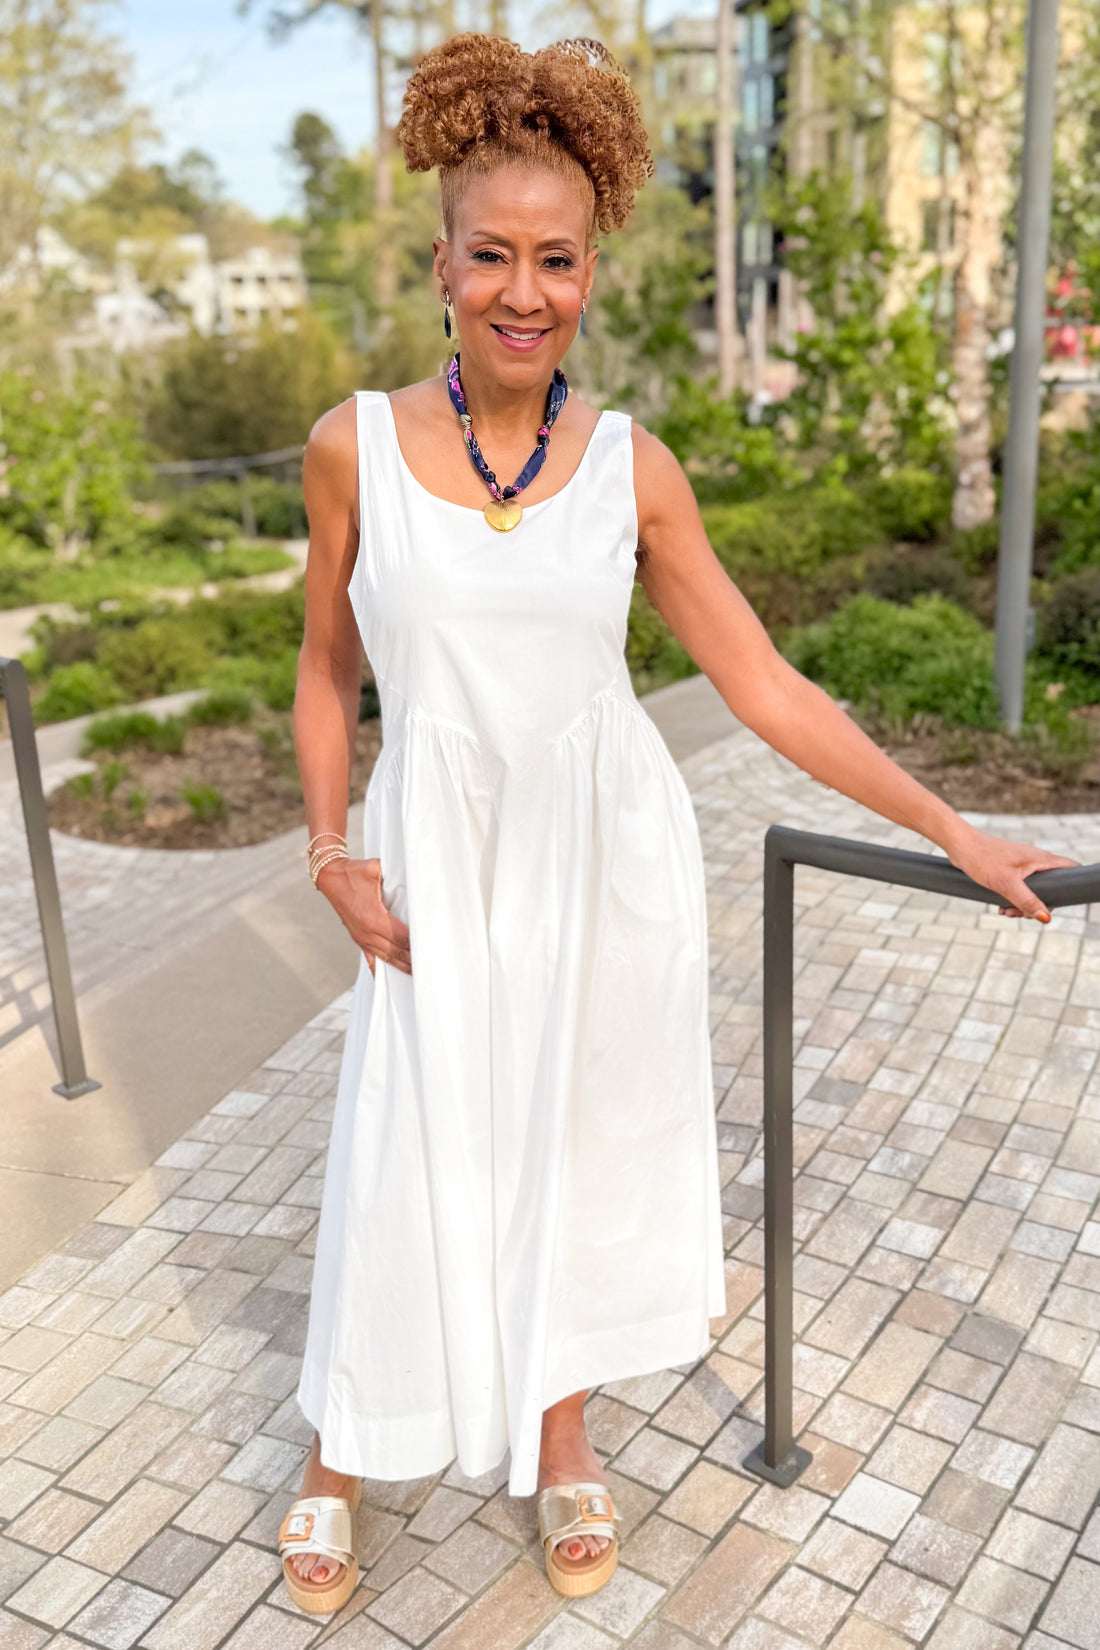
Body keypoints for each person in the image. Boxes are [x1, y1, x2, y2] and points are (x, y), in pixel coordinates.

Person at [279, 31, 1076, 1616]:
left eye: (557, 258)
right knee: (400, 1147)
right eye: (492, 254)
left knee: (570, 1145)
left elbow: (767, 684)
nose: (526, 289)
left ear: (593, 270)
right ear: (441, 263)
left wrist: (956, 829)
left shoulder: (635, 469)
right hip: (434, 858)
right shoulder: (348, 445)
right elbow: (321, 671)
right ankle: (340, 1455)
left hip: (599, 864)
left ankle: (564, 1427)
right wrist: (327, 853)